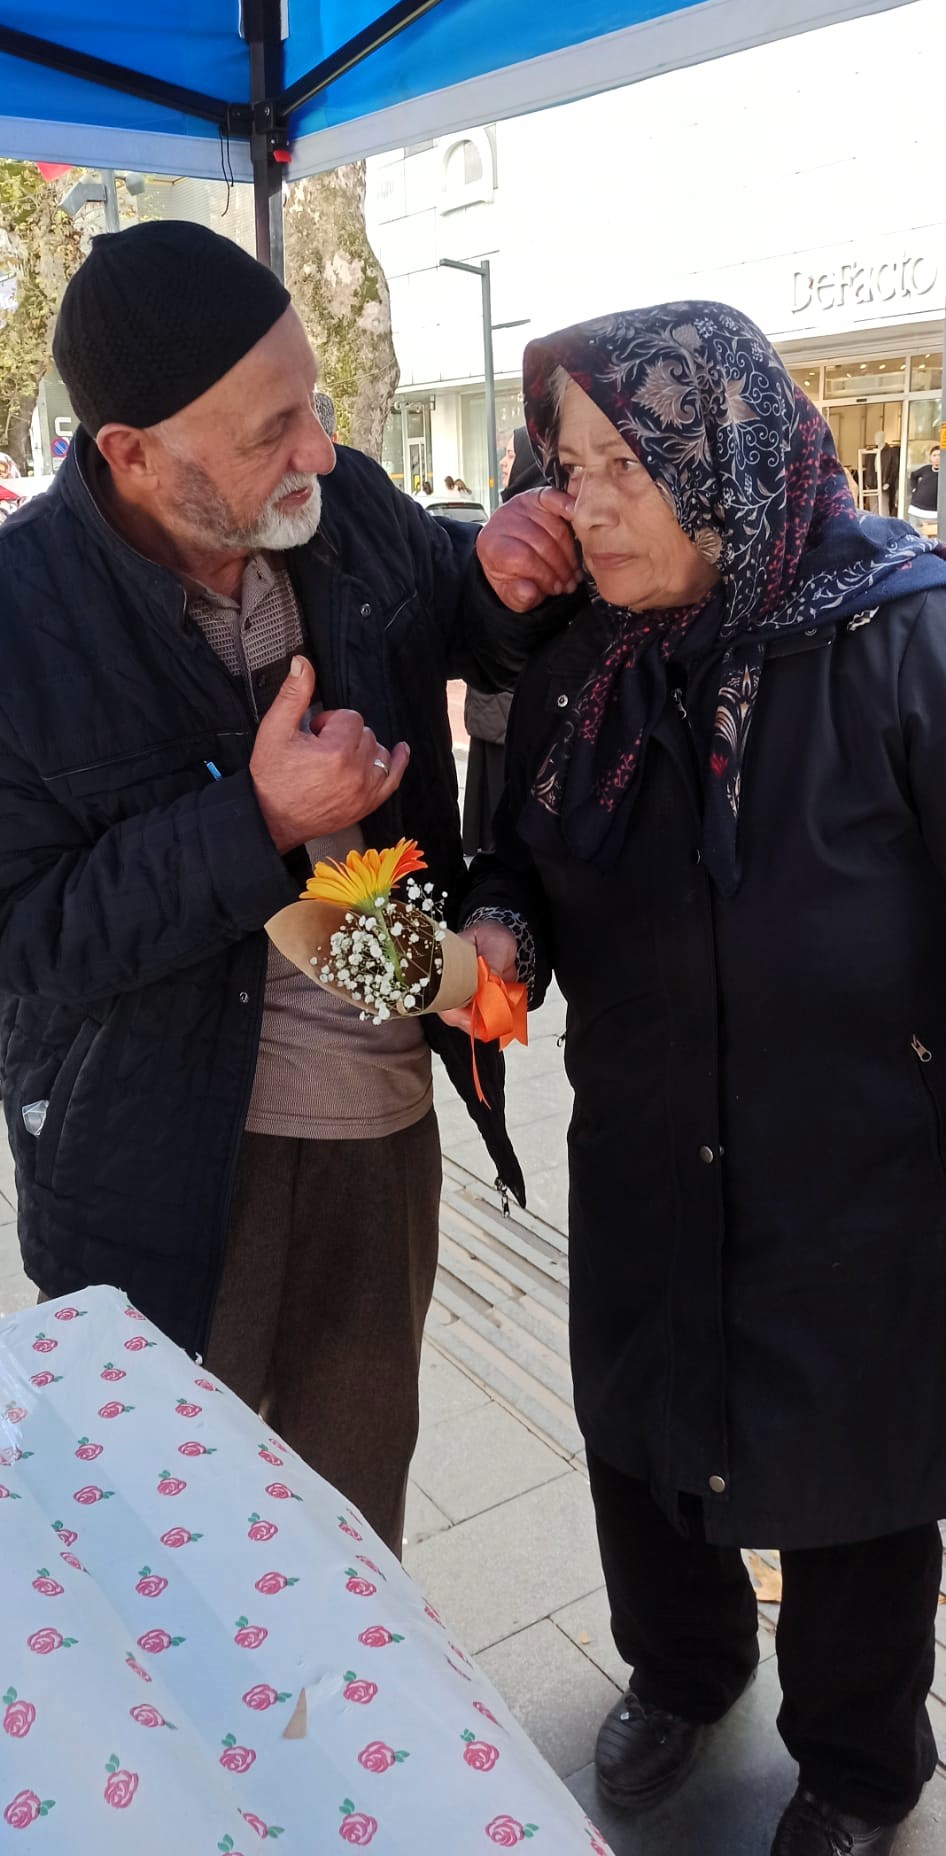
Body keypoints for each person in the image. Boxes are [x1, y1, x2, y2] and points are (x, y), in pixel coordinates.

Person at [0, 220, 579, 1556]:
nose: (315, 449)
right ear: (129, 456)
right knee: (169, 1553)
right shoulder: (25, 620)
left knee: (348, 1523)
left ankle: (353, 1759)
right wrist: (255, 818)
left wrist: (494, 583)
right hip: (159, 1166)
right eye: (269, 432)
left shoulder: (352, 507)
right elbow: (28, 936)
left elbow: (454, 611)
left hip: (377, 1126)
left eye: (311, 403)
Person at [458, 302, 946, 1854]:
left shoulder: (897, 637)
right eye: (565, 462)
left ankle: (862, 1767)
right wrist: (494, 935)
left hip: (856, 1173)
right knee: (640, 1428)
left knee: (853, 1476)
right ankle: (682, 1666)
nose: (576, 501)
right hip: (649, 1139)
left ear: (718, 456)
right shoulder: (570, 669)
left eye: (619, 464)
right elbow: (511, 864)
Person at [463, 427, 545, 854]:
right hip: (497, 712)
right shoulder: (516, 514)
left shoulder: (533, 522)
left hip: (508, 710)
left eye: (511, 453)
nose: (502, 461)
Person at [909, 444, 939, 519]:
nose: (937, 458)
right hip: (915, 509)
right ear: (930, 458)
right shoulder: (926, 469)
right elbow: (913, 475)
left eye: (939, 455)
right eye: (934, 455)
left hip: (934, 513)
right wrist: (914, 488)